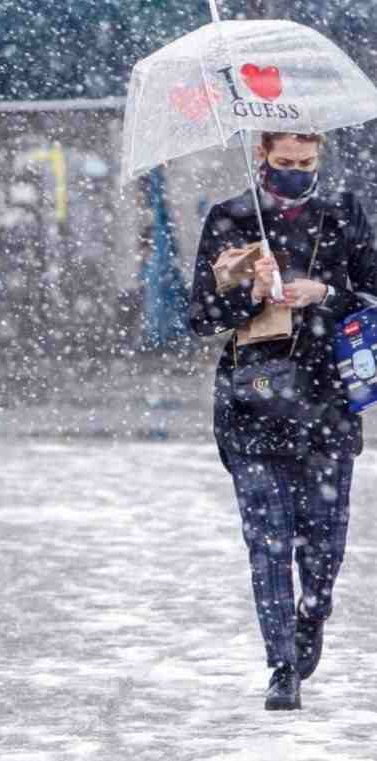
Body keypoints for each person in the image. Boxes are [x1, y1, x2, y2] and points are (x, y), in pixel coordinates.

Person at [190, 132, 377, 711]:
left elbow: (372, 294)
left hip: (327, 397)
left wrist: (322, 292)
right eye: (283, 162)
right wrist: (253, 291)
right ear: (261, 158)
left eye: (306, 162)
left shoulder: (343, 215)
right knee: (267, 541)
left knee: (324, 542)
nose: (295, 172)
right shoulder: (231, 218)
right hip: (254, 399)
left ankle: (312, 610)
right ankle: (281, 667)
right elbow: (199, 315)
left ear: (319, 157)